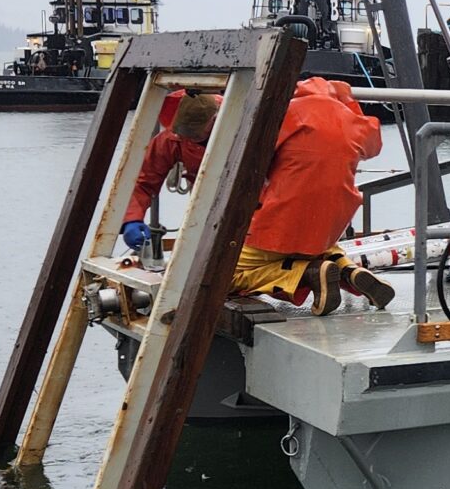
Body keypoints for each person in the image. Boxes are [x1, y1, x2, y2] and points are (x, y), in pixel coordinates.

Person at [232, 76, 396, 312]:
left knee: (225, 275)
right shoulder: (350, 117)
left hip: (279, 222)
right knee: (320, 245)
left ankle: (306, 275)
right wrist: (348, 102)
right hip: (330, 224)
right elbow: (374, 145)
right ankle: (349, 272)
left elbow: (255, 159)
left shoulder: (287, 112)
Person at [120, 92, 221, 251]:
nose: (190, 137)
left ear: (214, 120)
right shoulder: (171, 138)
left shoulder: (246, 122)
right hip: (206, 206)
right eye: (185, 133)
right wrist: (131, 219)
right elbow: (143, 180)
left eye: (195, 133)